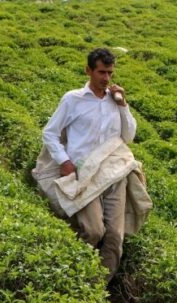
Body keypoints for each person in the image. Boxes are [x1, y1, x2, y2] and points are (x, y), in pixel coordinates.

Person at [41, 47, 138, 283]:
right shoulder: (73, 99)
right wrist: (64, 161)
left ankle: (96, 288)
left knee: (115, 236)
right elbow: (50, 133)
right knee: (94, 231)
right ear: (88, 70)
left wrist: (123, 105)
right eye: (102, 72)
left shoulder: (115, 101)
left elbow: (129, 136)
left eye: (110, 73)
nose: (106, 78)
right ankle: (72, 277)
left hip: (113, 173)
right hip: (84, 173)